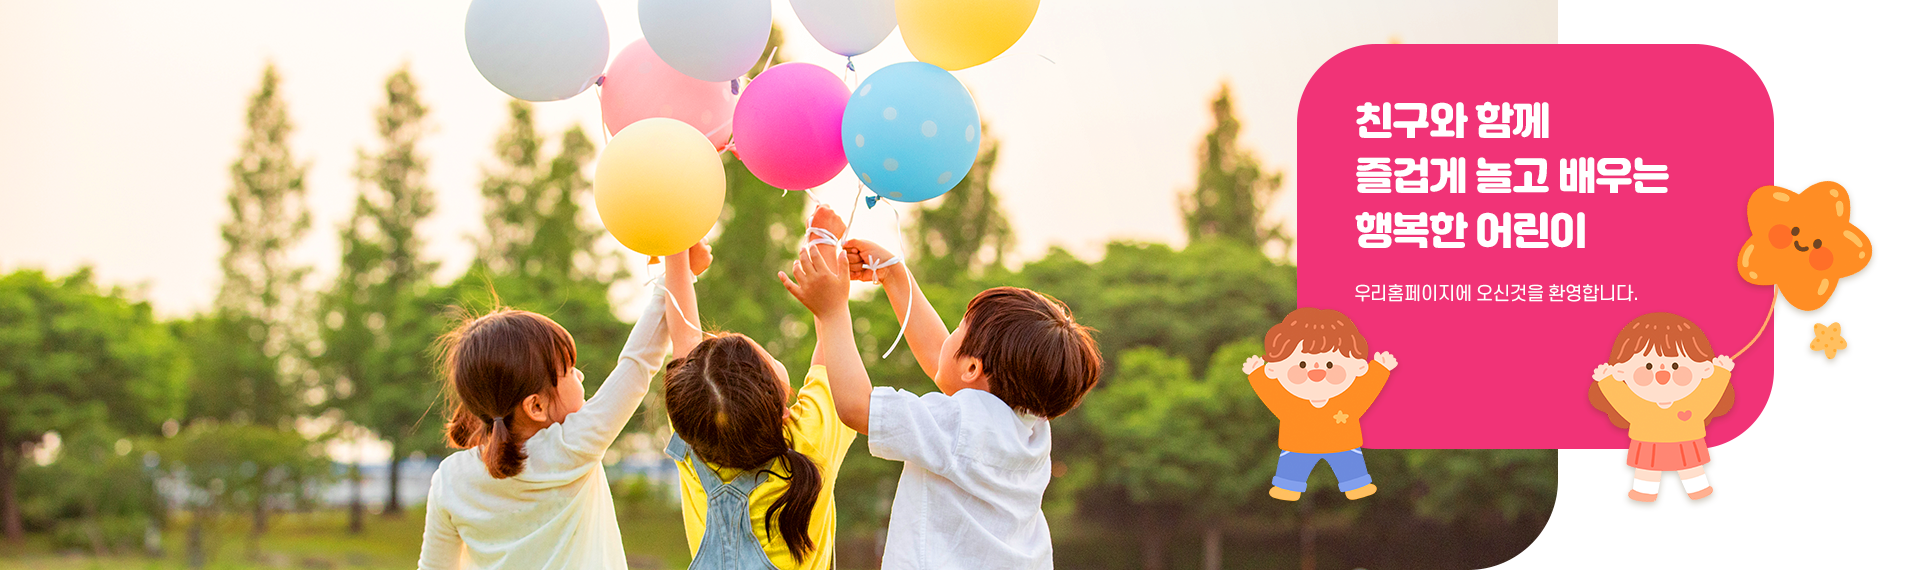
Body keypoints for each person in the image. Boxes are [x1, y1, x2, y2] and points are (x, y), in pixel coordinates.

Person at [780, 231, 1102, 569]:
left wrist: (832, 312)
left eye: (960, 328)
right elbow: (944, 363)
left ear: (973, 366)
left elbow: (857, 406)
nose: (950, 336)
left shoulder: (960, 425)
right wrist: (893, 274)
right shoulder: (1030, 426)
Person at [417, 245, 707, 570]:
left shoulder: (450, 480)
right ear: (536, 406)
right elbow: (638, 363)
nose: (580, 374)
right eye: (568, 370)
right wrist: (680, 269)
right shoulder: (572, 448)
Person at [659, 208, 858, 570]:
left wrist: (680, 251)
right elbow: (834, 347)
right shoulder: (809, 442)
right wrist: (823, 243)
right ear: (782, 408)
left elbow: (684, 335)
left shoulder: (695, 432)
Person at [1241, 308, 1396, 501]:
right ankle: (1289, 485)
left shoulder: (1347, 401)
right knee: (1294, 466)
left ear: (1358, 367)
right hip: (1300, 444)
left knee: (1348, 462)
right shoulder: (1290, 403)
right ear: (1275, 369)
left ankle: (1355, 483)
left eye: (1330, 364)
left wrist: (1379, 370)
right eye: (1302, 364)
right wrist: (1257, 374)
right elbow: (1271, 394)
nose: (1317, 371)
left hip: (1340, 443)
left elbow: (1366, 391)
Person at [1589, 312, 1736, 501]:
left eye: (1676, 365)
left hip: (1684, 441)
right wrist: (1607, 381)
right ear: (1622, 371)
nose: (1662, 374)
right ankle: (1645, 493)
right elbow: (1621, 399)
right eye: (1648, 366)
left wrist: (1721, 374)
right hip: (1651, 443)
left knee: (1691, 470)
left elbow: (1710, 395)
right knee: (1647, 473)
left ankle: (1698, 491)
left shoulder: (1692, 404)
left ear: (1703, 369)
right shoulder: (1639, 408)